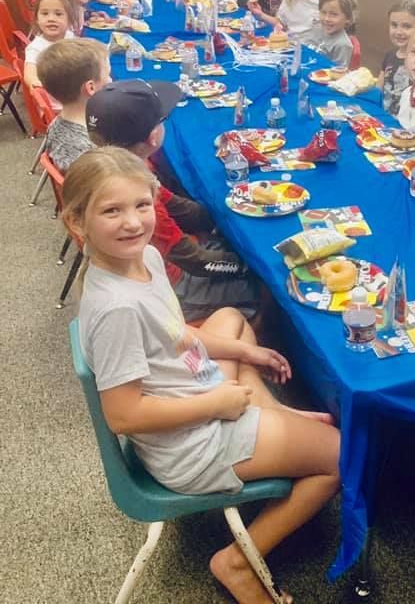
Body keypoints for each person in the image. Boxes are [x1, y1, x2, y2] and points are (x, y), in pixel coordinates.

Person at [65, 146, 340, 604]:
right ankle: (236, 561)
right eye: (111, 211)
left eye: (141, 205)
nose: (133, 221)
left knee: (231, 318)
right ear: (78, 223)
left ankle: (272, 416)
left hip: (194, 387)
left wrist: (238, 351)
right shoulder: (116, 310)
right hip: (190, 444)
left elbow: (175, 335)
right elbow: (124, 415)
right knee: (341, 458)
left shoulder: (144, 260)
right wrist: (218, 403)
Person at [85, 79, 264, 324]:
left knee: (229, 244)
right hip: (175, 287)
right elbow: (194, 261)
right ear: (152, 136)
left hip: (169, 268)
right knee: (266, 287)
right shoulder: (136, 200)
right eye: (162, 120)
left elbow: (180, 209)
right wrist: (248, 265)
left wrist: (221, 215)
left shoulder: (128, 168)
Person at [36, 38, 111, 170]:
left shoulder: (56, 125)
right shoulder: (91, 150)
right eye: (108, 75)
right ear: (91, 88)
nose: (110, 80)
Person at [377, 0, 415, 116]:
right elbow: (378, 89)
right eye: (394, 25)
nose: (398, 32)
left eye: (406, 26)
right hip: (384, 120)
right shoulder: (389, 56)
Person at [23, 0, 75, 93]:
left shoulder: (70, 36)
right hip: (54, 97)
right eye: (45, 14)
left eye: (58, 14)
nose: (51, 19)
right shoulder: (36, 47)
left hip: (72, 87)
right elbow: (29, 71)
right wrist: (34, 82)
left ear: (69, 20)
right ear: (37, 19)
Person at [304, 0, 357, 69]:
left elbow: (337, 74)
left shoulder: (343, 45)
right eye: (323, 12)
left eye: (334, 14)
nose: (327, 19)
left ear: (348, 18)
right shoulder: (316, 28)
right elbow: (304, 51)